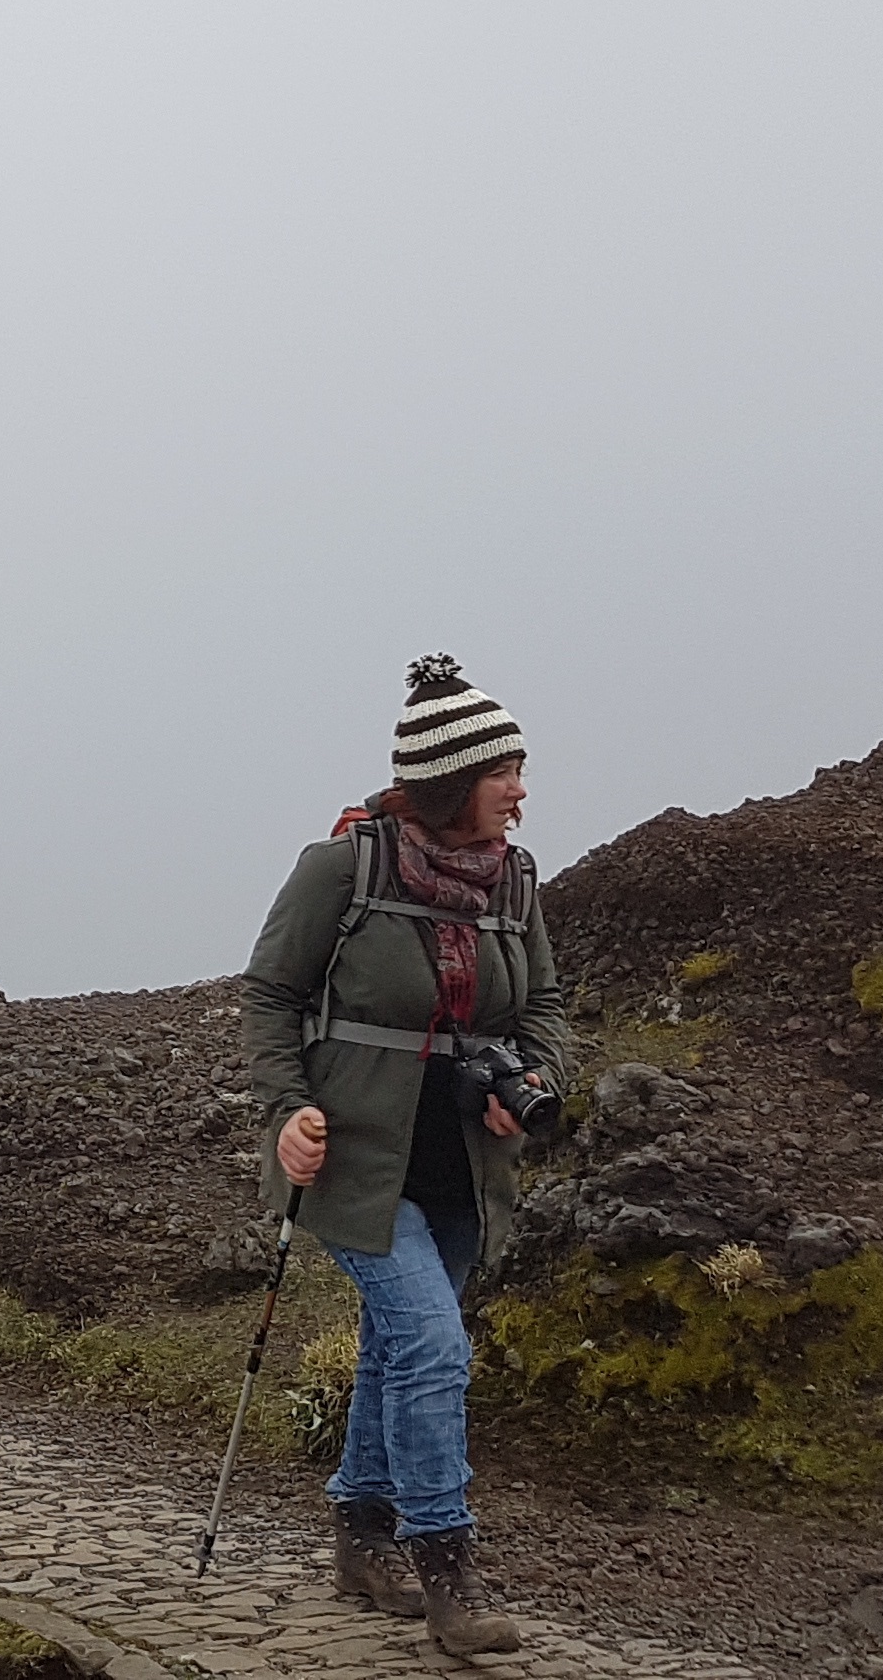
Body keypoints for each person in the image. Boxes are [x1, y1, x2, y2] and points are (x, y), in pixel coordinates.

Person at [238, 655, 567, 1654]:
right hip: (351, 1163)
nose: (520, 789)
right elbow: (269, 996)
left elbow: (545, 1001)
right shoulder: (345, 867)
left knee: (396, 1347)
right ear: (452, 779)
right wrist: (287, 1111)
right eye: (504, 770)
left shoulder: (512, 879)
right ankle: (448, 1570)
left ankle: (360, 1528)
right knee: (431, 1345)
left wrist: (542, 1080)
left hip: (463, 1167)